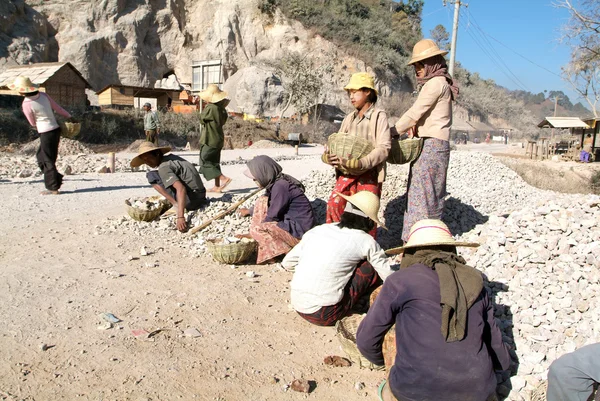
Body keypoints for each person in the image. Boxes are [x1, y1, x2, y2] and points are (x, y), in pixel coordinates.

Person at [356, 219, 511, 401]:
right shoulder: (475, 282)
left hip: (414, 392)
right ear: (451, 249)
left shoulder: (401, 280)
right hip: (478, 394)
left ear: (411, 252)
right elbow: (501, 358)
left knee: (386, 390)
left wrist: (385, 363)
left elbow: (366, 340)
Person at [283, 191, 393, 326]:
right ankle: (363, 303)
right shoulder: (366, 241)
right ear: (369, 220)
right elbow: (388, 276)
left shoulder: (319, 230)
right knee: (369, 267)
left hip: (299, 304)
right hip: (325, 314)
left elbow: (287, 263)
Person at [393, 39, 458, 243]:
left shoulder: (435, 84)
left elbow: (415, 113)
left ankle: (415, 242)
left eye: (420, 65)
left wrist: (392, 131)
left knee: (421, 195)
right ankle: (430, 238)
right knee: (431, 195)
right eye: (415, 66)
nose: (417, 70)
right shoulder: (441, 83)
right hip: (436, 146)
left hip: (431, 146)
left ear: (431, 63)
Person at [322, 72, 391, 239]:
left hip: (369, 174)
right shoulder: (349, 118)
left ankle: (364, 254)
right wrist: (327, 157)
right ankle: (337, 244)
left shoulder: (378, 116)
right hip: (346, 173)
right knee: (334, 204)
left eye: (355, 92)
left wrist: (361, 163)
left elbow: (384, 147)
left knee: (364, 214)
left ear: (368, 92)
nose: (351, 96)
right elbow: (336, 144)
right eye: (349, 93)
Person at [239, 155, 315, 264]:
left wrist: (256, 233)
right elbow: (269, 204)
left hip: (300, 232)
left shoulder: (281, 186)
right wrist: (250, 212)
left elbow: (272, 215)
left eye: (255, 178)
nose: (254, 180)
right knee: (262, 201)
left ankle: (288, 253)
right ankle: (274, 249)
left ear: (264, 174)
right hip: (293, 226)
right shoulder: (276, 184)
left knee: (259, 229)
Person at [9, 76, 72, 195]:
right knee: (44, 156)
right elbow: (57, 108)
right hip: (55, 129)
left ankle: (53, 187)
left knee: (46, 159)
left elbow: (32, 121)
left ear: (22, 90)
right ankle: (56, 178)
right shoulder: (44, 96)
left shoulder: (26, 103)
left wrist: (36, 124)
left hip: (45, 131)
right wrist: (69, 116)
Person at [130, 142, 207, 232]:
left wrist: (180, 217)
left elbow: (181, 188)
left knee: (151, 176)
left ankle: (176, 203)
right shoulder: (172, 158)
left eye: (149, 158)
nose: (148, 162)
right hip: (201, 196)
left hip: (192, 201)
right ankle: (177, 202)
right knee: (157, 175)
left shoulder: (164, 167)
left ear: (157, 154)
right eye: (145, 160)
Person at [198, 84, 232, 193]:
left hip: (210, 139)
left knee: (205, 160)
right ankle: (217, 186)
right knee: (214, 162)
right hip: (218, 138)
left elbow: (201, 119)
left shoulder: (210, 108)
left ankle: (224, 179)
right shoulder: (221, 109)